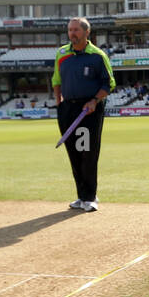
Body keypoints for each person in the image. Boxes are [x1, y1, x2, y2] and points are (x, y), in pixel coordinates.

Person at [51, 18, 115, 212]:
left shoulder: (97, 55)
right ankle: (80, 196)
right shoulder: (61, 54)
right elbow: (56, 79)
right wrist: (58, 103)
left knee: (87, 152)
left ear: (87, 32)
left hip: (89, 110)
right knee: (74, 153)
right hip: (67, 109)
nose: (72, 33)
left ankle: (90, 196)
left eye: (76, 30)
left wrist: (94, 101)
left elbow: (109, 84)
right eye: (70, 30)